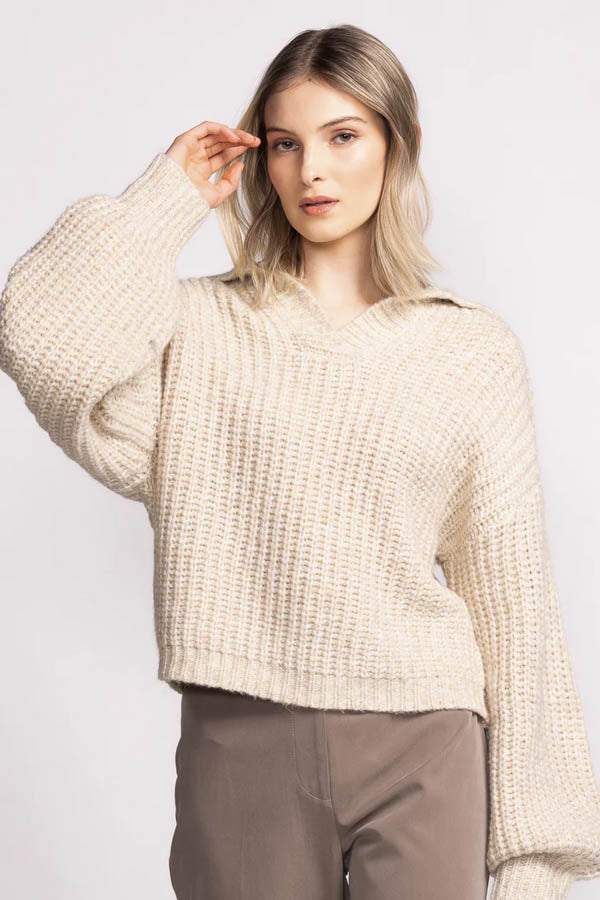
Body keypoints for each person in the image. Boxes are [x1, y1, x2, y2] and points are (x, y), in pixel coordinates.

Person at [1, 22, 599, 900]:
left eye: (342, 136)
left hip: (425, 741)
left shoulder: (470, 352)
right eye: (286, 144)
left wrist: (538, 857)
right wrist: (165, 198)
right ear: (264, 160)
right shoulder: (196, 330)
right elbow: (38, 335)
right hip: (242, 743)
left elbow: (514, 601)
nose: (312, 169)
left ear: (400, 144)